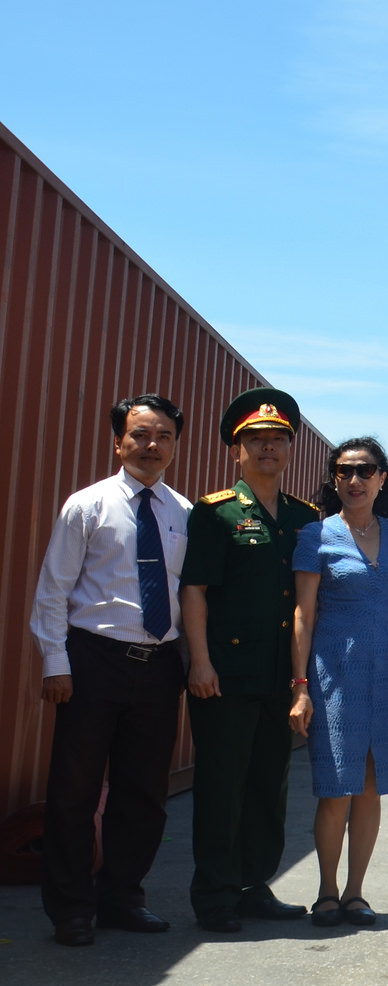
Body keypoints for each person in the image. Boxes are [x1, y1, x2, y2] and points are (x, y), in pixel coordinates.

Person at [32, 394, 191, 946]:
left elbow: (187, 597)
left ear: (175, 445)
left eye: (164, 436)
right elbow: (53, 589)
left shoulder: (184, 513)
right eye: (140, 434)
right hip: (93, 661)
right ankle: (71, 909)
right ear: (118, 441)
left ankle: (123, 897)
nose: (152, 445)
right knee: (74, 791)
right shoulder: (87, 505)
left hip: (158, 666)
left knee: (143, 793)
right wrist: (56, 663)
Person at [181, 387, 320, 933]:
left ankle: (254, 884)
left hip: (278, 674)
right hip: (225, 674)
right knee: (223, 785)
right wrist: (199, 661)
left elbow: (304, 603)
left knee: (269, 783)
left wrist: (299, 682)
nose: (268, 447)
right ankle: (215, 894)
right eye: (256, 439)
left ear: (289, 448)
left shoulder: (304, 517)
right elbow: (194, 591)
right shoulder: (215, 513)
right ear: (236, 449)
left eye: (278, 439)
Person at [288, 437, 388, 927]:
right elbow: (302, 615)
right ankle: (327, 891)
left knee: (370, 786)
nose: (355, 480)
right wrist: (300, 686)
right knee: (336, 786)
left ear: (382, 478)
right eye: (345, 471)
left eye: (365, 470)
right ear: (334, 479)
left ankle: (356, 892)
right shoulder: (316, 535)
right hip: (335, 676)